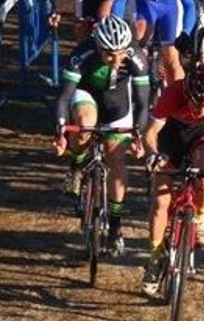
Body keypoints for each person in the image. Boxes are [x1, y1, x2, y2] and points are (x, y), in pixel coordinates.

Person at [142, 61, 204, 294]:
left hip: (202, 135)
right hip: (171, 137)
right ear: (186, 93)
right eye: (197, 103)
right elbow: (150, 132)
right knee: (160, 202)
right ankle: (154, 259)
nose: (201, 109)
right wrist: (152, 155)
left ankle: (200, 220)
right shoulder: (172, 93)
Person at [52, 15, 150, 255]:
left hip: (118, 103)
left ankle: (116, 224)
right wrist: (62, 132)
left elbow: (142, 103)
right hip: (87, 94)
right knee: (85, 124)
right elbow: (64, 98)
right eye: (108, 54)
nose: (116, 60)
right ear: (97, 46)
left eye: (120, 53)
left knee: (116, 157)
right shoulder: (81, 54)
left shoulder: (136, 58)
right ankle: (76, 167)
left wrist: (138, 135)